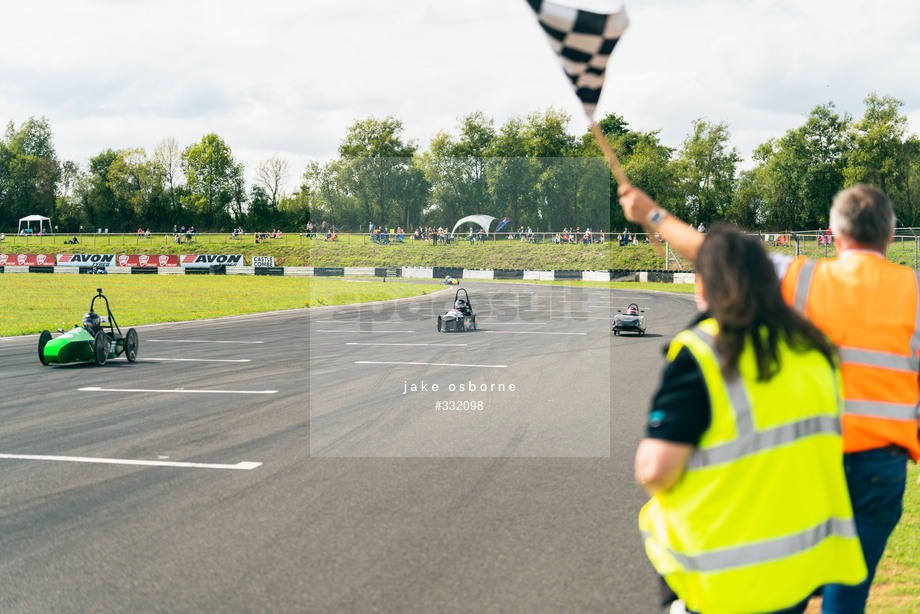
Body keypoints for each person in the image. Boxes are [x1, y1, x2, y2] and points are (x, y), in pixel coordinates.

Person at [620, 183, 919, 614]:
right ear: (891, 235)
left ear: (833, 235)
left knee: (791, 571)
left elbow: (716, 255)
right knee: (849, 589)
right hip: (882, 463)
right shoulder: (915, 290)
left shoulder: (805, 278)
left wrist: (652, 215)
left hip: (813, 457)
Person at [635, 225, 866, 614]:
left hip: (722, 573)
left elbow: (655, 470)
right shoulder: (814, 348)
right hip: (798, 569)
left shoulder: (703, 351)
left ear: (705, 287)